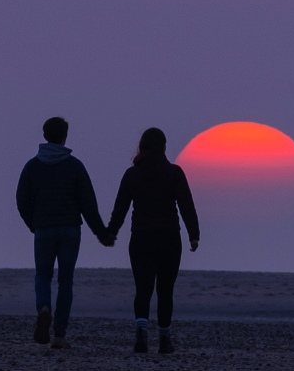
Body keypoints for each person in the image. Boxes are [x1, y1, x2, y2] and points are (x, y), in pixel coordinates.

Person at [15, 116, 113, 348]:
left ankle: (44, 308)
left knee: (42, 275)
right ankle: (59, 335)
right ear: (64, 136)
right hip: (70, 229)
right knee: (66, 280)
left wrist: (33, 222)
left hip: (43, 229)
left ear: (45, 135)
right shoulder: (74, 166)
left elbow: (21, 199)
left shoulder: (32, 166)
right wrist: (102, 233)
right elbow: (88, 203)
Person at [104, 127, 201, 354]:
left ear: (142, 147)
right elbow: (187, 205)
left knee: (143, 288)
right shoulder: (174, 173)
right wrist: (194, 234)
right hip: (169, 238)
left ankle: (142, 334)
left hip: (141, 237)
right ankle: (165, 340)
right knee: (165, 290)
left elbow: (120, 208)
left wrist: (111, 232)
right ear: (164, 148)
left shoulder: (132, 174)